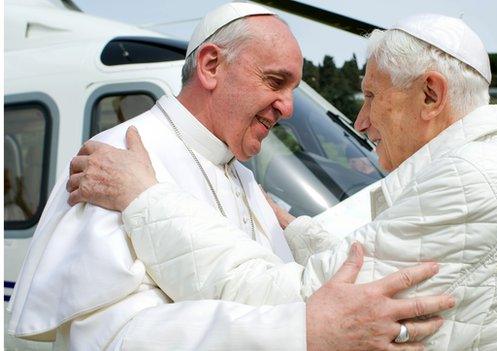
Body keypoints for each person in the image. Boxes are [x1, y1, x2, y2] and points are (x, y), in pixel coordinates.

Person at [67, 13, 497, 350]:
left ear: (431, 96)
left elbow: (295, 303)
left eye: (370, 97)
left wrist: (145, 199)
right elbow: (370, 259)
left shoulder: (474, 184)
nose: (361, 123)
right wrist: (292, 229)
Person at [7, 4, 452, 350]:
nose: (287, 106)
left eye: (293, 90)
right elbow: (111, 339)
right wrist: (302, 333)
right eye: (275, 82)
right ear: (211, 66)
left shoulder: (240, 174)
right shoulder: (117, 161)